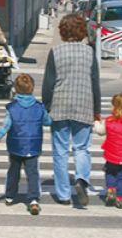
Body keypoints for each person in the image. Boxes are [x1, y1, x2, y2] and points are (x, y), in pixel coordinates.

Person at [41, 14, 101, 206]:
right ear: (82, 30)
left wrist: (47, 105)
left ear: (63, 31)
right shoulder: (89, 52)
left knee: (60, 152)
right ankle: (81, 180)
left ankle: (63, 195)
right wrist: (96, 110)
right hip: (83, 104)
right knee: (81, 148)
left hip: (59, 105)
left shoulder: (55, 52)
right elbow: (95, 83)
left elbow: (48, 83)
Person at [0, 74, 52, 216]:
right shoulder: (39, 107)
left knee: (13, 171)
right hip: (33, 144)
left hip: (15, 144)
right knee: (32, 173)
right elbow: (48, 121)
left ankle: (10, 196)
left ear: (15, 89)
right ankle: (33, 199)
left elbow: (6, 124)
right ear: (32, 88)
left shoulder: (12, 108)